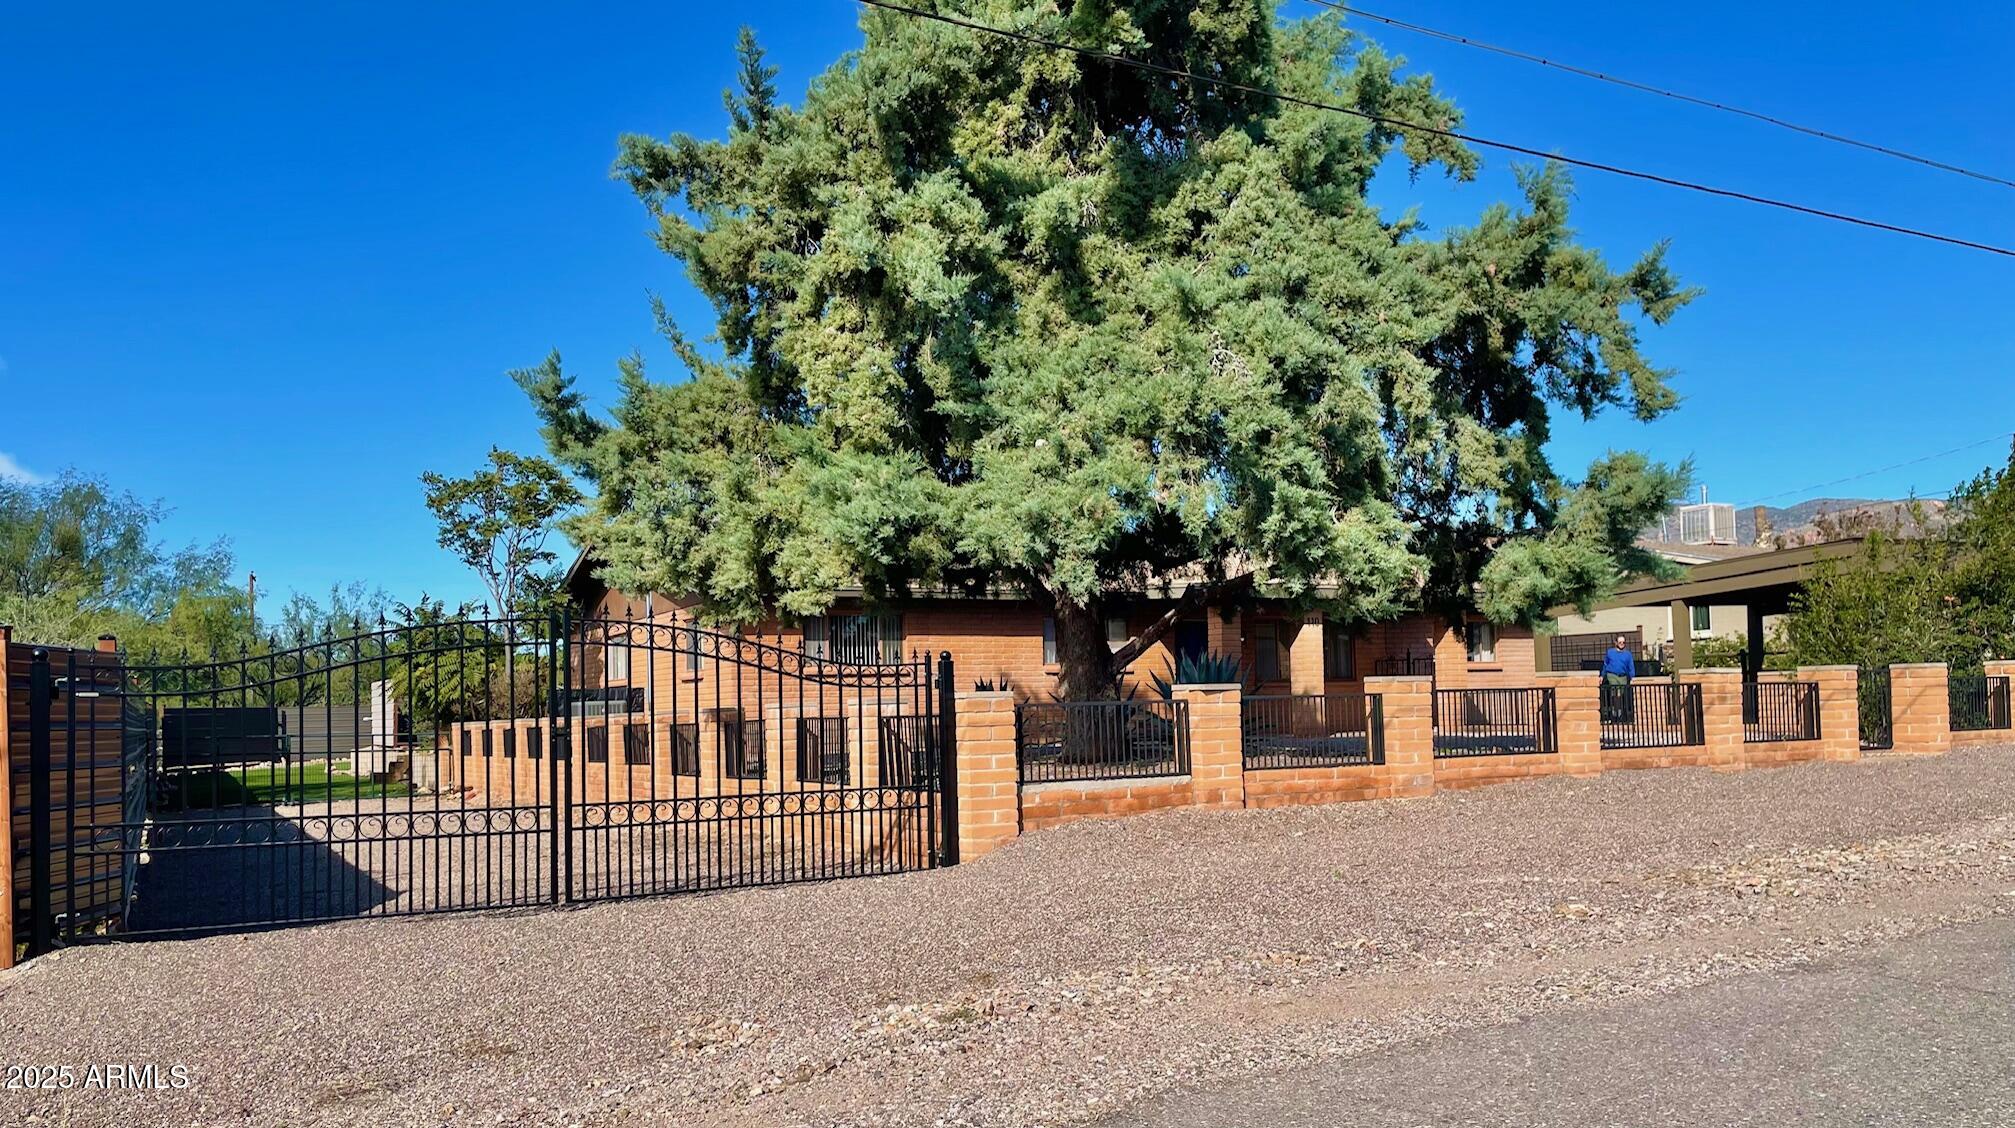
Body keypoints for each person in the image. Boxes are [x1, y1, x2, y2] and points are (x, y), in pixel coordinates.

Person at [1601, 635, 1636, 722]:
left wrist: (1632, 677)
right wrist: (1602, 675)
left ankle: (1618, 713)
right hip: (1612, 675)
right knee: (1616, 692)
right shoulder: (1610, 652)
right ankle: (1615, 714)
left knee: (1619, 696)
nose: (1622, 644)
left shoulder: (1628, 654)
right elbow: (1605, 665)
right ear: (1616, 643)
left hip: (1623, 676)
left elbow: (1631, 666)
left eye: (1623, 642)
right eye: (1620, 642)